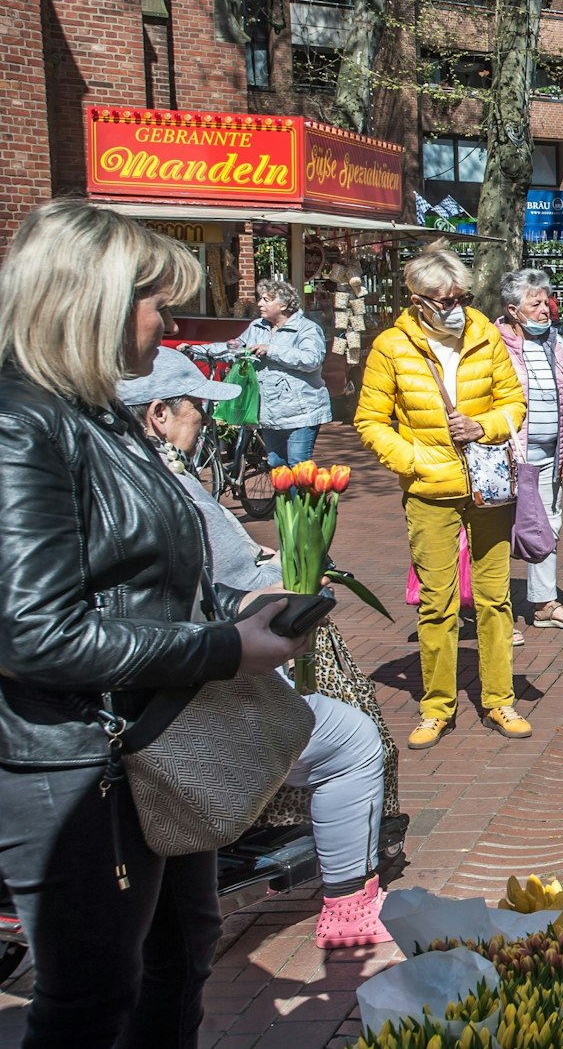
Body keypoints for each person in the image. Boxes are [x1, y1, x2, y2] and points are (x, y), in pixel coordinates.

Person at [0, 200, 311, 1047]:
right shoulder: (21, 424)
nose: (170, 322)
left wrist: (236, 608)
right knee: (92, 996)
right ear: (91, 299)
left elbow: (139, 572)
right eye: (157, 302)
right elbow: (34, 632)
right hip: (77, 762)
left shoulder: (101, 413)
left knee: (179, 955)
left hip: (153, 742)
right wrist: (221, 646)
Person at [118, 348, 392, 950]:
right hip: (181, 685)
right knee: (352, 739)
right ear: (159, 414)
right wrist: (275, 589)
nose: (206, 421)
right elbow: (207, 589)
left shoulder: (114, 473)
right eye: (196, 408)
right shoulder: (166, 488)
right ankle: (349, 903)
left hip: (146, 676)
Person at [353, 243, 530, 750]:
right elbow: (370, 421)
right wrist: (413, 461)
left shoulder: (485, 335)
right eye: (442, 298)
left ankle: (500, 699)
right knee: (437, 603)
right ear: (415, 298)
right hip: (430, 491)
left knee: (496, 599)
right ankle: (437, 706)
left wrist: (484, 425)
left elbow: (513, 402)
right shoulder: (392, 345)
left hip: (488, 485)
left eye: (460, 296)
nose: (454, 305)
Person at [496, 269, 563, 635]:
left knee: (548, 525)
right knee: (500, 530)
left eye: (546, 301)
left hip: (552, 452)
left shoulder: (556, 342)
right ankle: (496, 613)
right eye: (535, 304)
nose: (545, 310)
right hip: (508, 454)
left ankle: (545, 602)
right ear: (513, 310)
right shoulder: (493, 344)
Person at [186, 276, 333, 466]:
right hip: (270, 411)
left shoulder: (306, 329)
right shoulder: (256, 327)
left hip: (301, 411)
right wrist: (196, 351)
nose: (259, 303)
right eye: (260, 298)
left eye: (266, 299)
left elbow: (311, 360)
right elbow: (234, 349)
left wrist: (272, 350)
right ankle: (284, 497)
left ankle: (301, 497)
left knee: (298, 465)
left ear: (284, 304)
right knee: (276, 463)